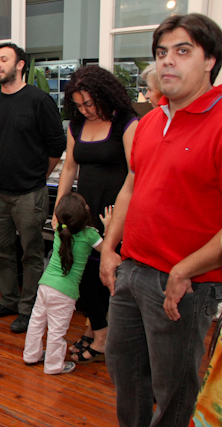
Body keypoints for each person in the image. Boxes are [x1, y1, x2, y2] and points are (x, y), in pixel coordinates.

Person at [99, 14, 222, 427]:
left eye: (182, 51)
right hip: (132, 271)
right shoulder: (150, 121)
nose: (167, 60)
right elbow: (131, 188)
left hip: (184, 284)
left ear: (210, 60)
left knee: (174, 389)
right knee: (126, 374)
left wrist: (185, 269)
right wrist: (110, 248)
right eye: (161, 52)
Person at [55, 65, 138, 364]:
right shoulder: (76, 126)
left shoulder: (126, 122)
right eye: (78, 105)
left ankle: (102, 338)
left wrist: (120, 219)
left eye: (89, 103)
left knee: (105, 274)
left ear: (105, 95)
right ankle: (96, 328)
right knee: (83, 274)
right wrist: (59, 209)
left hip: (114, 213)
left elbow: (135, 174)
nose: (85, 110)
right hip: (84, 211)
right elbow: (69, 168)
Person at [0, 43, 66, 332]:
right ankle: (8, 300)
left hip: (30, 193)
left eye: (4, 59)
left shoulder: (39, 100)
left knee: (31, 253)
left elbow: (56, 145)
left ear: (20, 65)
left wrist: (40, 175)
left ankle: (29, 310)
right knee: (1, 251)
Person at [23, 193, 108, 374]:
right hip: (65, 292)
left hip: (45, 285)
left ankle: (31, 355)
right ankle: (54, 366)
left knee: (36, 322)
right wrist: (108, 228)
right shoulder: (90, 234)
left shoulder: (58, 230)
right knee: (56, 331)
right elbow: (107, 250)